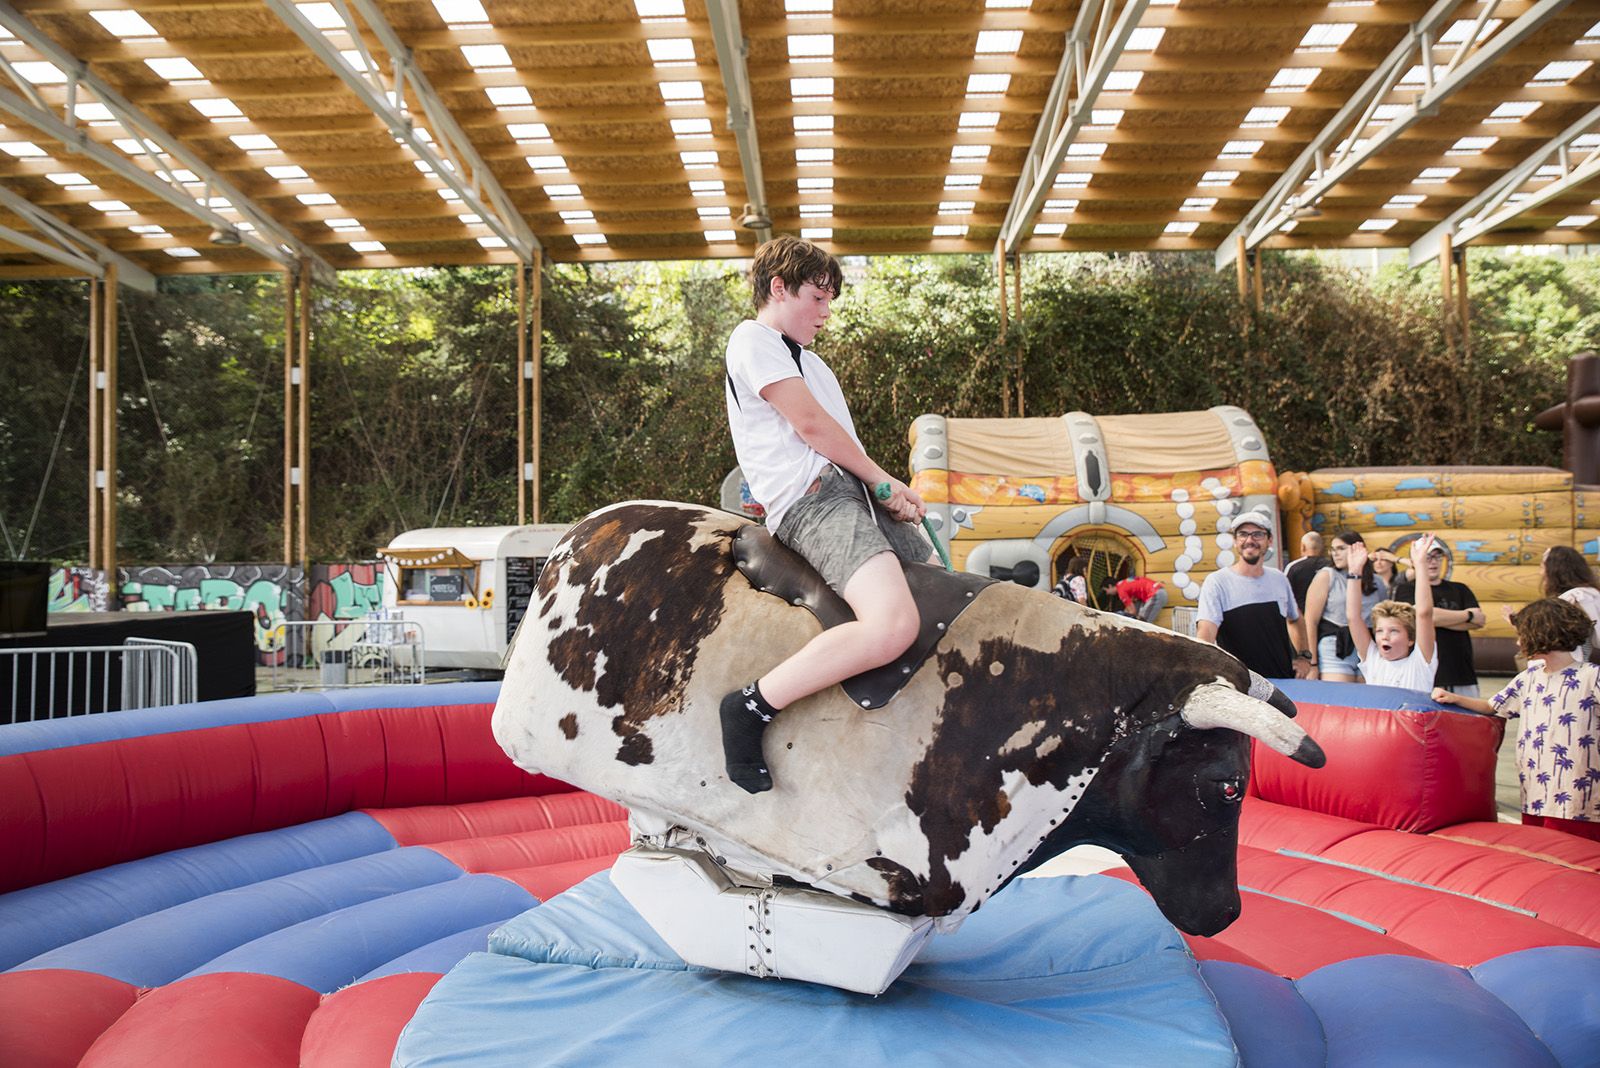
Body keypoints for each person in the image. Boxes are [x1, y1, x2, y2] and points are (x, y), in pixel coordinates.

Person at [718, 236, 933, 794]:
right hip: (813, 501)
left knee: (945, 595)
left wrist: (886, 490)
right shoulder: (753, 338)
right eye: (817, 297)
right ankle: (751, 707)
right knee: (893, 625)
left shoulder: (812, 363)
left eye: (830, 299)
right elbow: (810, 429)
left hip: (852, 494)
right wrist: (885, 482)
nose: (826, 311)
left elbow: (835, 437)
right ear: (778, 288)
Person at [1434, 598, 1600, 841]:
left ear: (1541, 634)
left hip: (1576, 797)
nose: (1518, 641)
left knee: (1576, 857)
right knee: (1540, 852)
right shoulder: (1529, 678)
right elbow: (1493, 705)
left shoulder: (1590, 676)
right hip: (1535, 791)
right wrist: (1454, 698)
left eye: (1523, 633)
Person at [1196, 509, 1315, 679]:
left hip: (1282, 683)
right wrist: (1202, 674)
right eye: (1243, 534)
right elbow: (1206, 633)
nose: (1249, 540)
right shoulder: (1217, 582)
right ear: (1235, 541)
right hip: (1240, 686)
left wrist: (1304, 657)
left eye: (1257, 534)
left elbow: (1295, 618)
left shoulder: (1279, 579)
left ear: (1270, 540)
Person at [1391, 539, 1483, 697]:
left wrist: (1436, 618)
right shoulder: (1405, 589)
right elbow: (1423, 617)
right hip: (1425, 676)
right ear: (1415, 561)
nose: (1433, 562)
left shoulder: (1460, 589)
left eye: (1437, 557)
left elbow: (1479, 620)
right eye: (1428, 557)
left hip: (1462, 673)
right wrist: (1466, 616)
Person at [1345, 535, 1437, 692]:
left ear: (1410, 639)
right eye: (1379, 631)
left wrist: (1421, 565)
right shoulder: (1373, 659)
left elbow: (1424, 613)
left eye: (1393, 631)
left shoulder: (1421, 662)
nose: (1384, 636)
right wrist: (1354, 572)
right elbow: (1353, 617)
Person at [1303, 530, 1387, 683]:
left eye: (1341, 548)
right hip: (1334, 646)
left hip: (1368, 647)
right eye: (1333, 549)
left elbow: (1382, 618)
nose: (1335, 554)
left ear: (1358, 549)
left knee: (1368, 701)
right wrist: (1312, 663)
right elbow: (1310, 620)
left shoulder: (1377, 581)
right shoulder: (1326, 575)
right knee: (1339, 697)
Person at [1541, 545, 1600, 660]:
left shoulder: (1577, 598)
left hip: (1569, 666)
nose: (1541, 573)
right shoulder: (1589, 594)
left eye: (1542, 567)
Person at [1283, 531, 1330, 616]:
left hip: (1301, 617)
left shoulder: (1294, 567)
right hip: (1328, 620)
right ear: (1322, 547)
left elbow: (1285, 595)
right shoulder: (1331, 566)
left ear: (1303, 547)